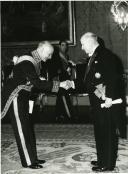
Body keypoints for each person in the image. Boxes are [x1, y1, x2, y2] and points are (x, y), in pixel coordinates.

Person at [1, 41, 72, 169]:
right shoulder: (28, 61)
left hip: (23, 96)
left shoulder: (34, 59)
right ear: (41, 49)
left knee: (28, 128)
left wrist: (44, 82)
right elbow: (37, 83)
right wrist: (59, 85)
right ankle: (28, 162)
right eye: (49, 54)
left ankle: (33, 158)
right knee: (22, 130)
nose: (50, 57)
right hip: (15, 96)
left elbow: (34, 81)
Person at [72, 32, 127, 172]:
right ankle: (102, 158)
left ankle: (107, 164)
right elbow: (89, 80)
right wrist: (72, 84)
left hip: (106, 102)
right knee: (100, 131)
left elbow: (113, 78)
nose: (82, 48)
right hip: (97, 103)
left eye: (83, 44)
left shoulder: (105, 55)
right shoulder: (95, 56)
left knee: (107, 133)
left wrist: (109, 97)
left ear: (90, 42)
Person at [53, 40, 76, 122]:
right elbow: (55, 68)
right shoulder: (56, 55)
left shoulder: (66, 56)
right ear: (59, 46)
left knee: (61, 97)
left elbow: (66, 66)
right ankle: (66, 115)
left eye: (66, 45)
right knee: (61, 96)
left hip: (65, 78)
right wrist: (65, 70)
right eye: (62, 45)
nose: (64, 47)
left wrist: (69, 66)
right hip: (58, 79)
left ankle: (59, 114)